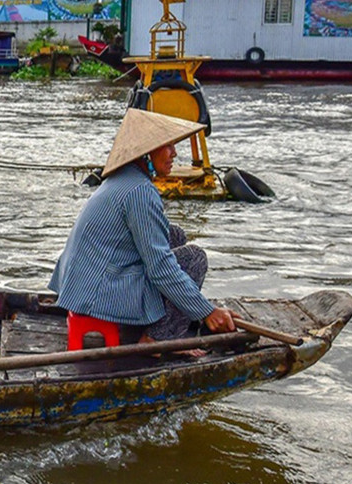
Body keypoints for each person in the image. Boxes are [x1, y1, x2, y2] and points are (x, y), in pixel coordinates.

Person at [48, 108, 236, 350]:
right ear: (147, 153)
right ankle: (158, 340)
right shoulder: (140, 192)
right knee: (195, 258)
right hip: (98, 293)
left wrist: (200, 305)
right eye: (167, 146)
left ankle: (170, 320)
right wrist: (206, 311)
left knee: (174, 234)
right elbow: (160, 268)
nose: (174, 153)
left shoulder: (122, 179)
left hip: (84, 285)